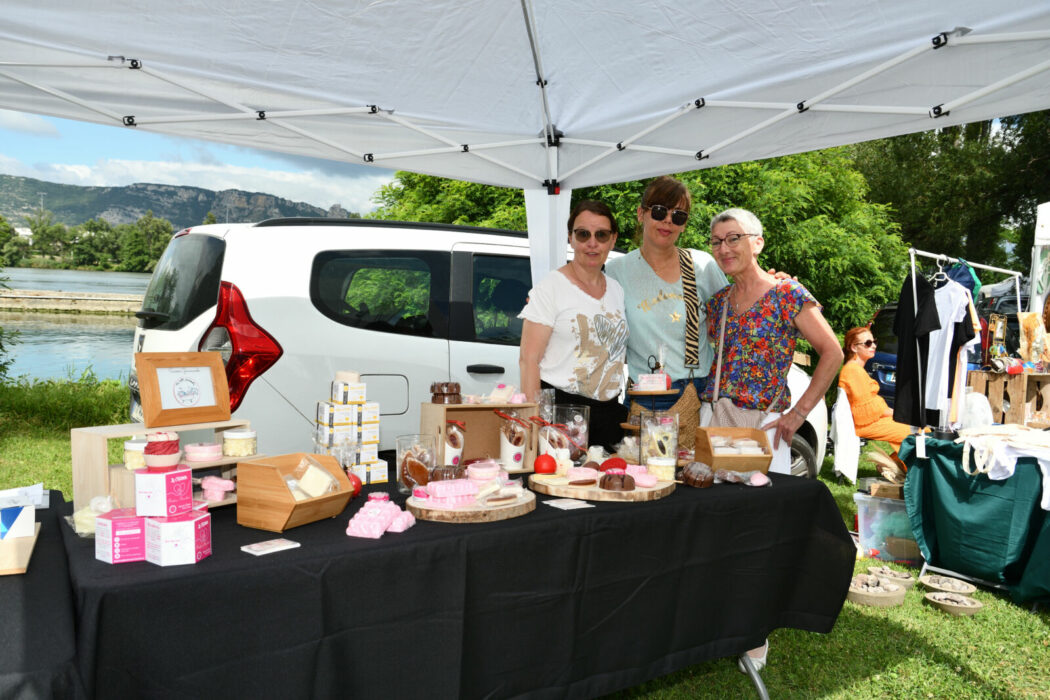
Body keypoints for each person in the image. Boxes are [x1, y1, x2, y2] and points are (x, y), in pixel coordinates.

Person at [700, 207, 842, 673]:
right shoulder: (717, 303)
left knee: (760, 535)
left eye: (734, 238)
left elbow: (833, 351)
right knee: (721, 529)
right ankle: (721, 620)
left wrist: (799, 412)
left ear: (757, 242)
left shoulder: (787, 294)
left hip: (764, 427)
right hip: (719, 424)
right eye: (718, 240)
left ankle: (756, 633)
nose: (725, 248)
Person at [605, 176, 728, 414]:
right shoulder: (616, 270)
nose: (668, 221)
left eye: (678, 216)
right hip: (646, 396)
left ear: (684, 224)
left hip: (700, 392)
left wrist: (773, 283)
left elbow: (736, 315)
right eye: (660, 211)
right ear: (642, 214)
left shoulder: (701, 265)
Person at [518, 200, 628, 451]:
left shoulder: (616, 290)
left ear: (613, 240)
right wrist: (536, 426)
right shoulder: (551, 287)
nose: (592, 243)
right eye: (583, 234)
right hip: (562, 415)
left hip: (609, 414)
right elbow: (528, 360)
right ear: (571, 238)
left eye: (601, 235)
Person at [838, 326, 911, 455]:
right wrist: (895, 413)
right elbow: (867, 412)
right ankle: (901, 467)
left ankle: (896, 466)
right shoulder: (853, 371)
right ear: (854, 347)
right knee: (917, 431)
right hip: (865, 425)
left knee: (917, 429)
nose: (873, 346)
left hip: (870, 422)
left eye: (874, 342)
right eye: (868, 343)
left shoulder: (856, 369)